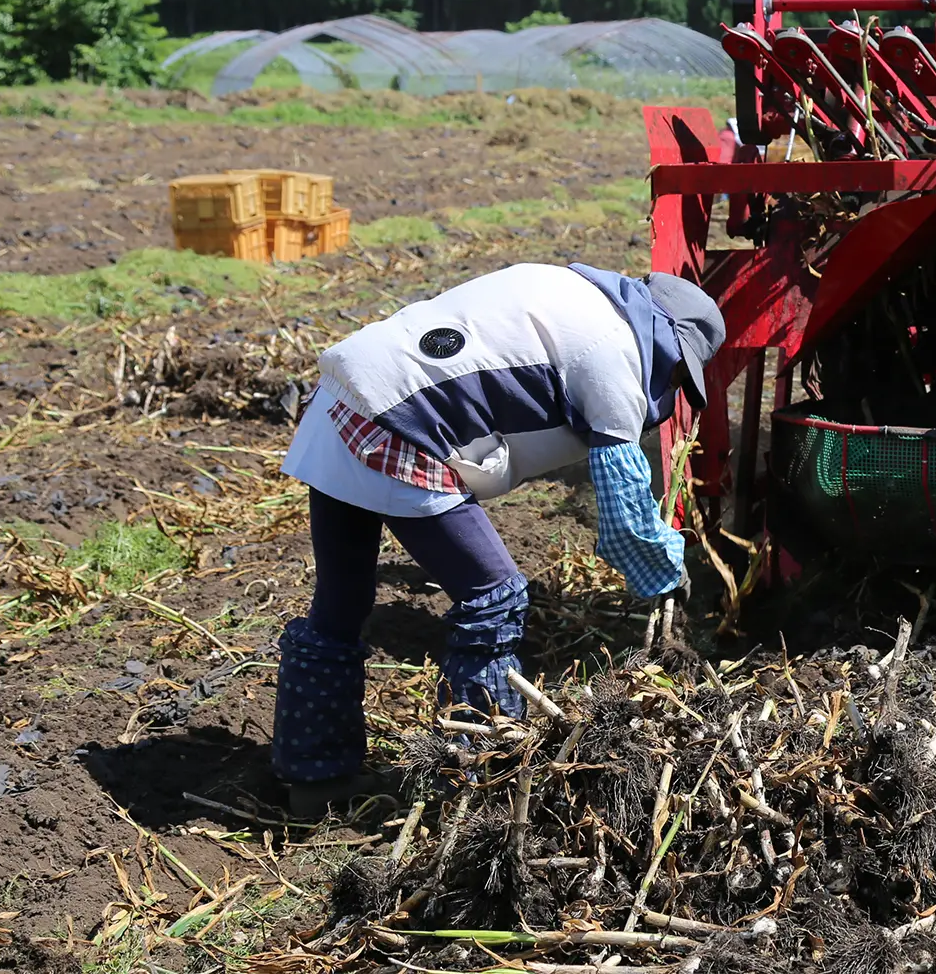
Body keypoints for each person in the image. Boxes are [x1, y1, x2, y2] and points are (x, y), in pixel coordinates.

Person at [270, 260, 725, 812]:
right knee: (495, 596)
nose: (674, 388)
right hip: (400, 427)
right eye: (680, 376)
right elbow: (626, 519)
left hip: (342, 402)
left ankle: (314, 780)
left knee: (341, 601)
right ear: (671, 344)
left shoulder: (576, 292)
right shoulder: (618, 356)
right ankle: (473, 790)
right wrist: (667, 579)